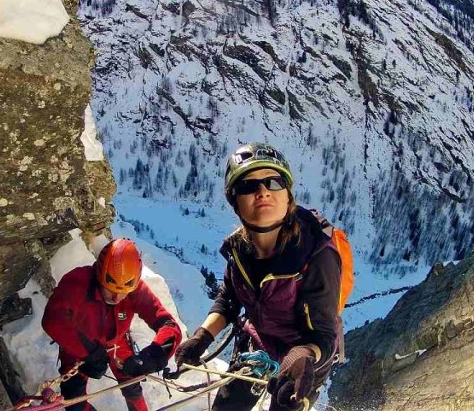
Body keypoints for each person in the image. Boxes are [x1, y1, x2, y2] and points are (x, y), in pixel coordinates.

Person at [175, 143, 342, 411]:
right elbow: (229, 299)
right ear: (236, 203)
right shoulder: (239, 250)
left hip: (304, 361)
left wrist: (302, 357)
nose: (262, 191)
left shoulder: (317, 255)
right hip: (258, 345)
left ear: (288, 197)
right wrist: (203, 336)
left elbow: (323, 334)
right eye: (248, 186)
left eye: (273, 182)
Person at [42, 238, 182, 411]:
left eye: (123, 293)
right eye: (111, 290)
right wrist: (88, 352)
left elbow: (168, 324)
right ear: (99, 276)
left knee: (132, 386)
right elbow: (53, 320)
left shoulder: (135, 290)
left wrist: (156, 353)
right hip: (78, 345)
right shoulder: (77, 282)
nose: (116, 298)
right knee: (74, 400)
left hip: (116, 344)